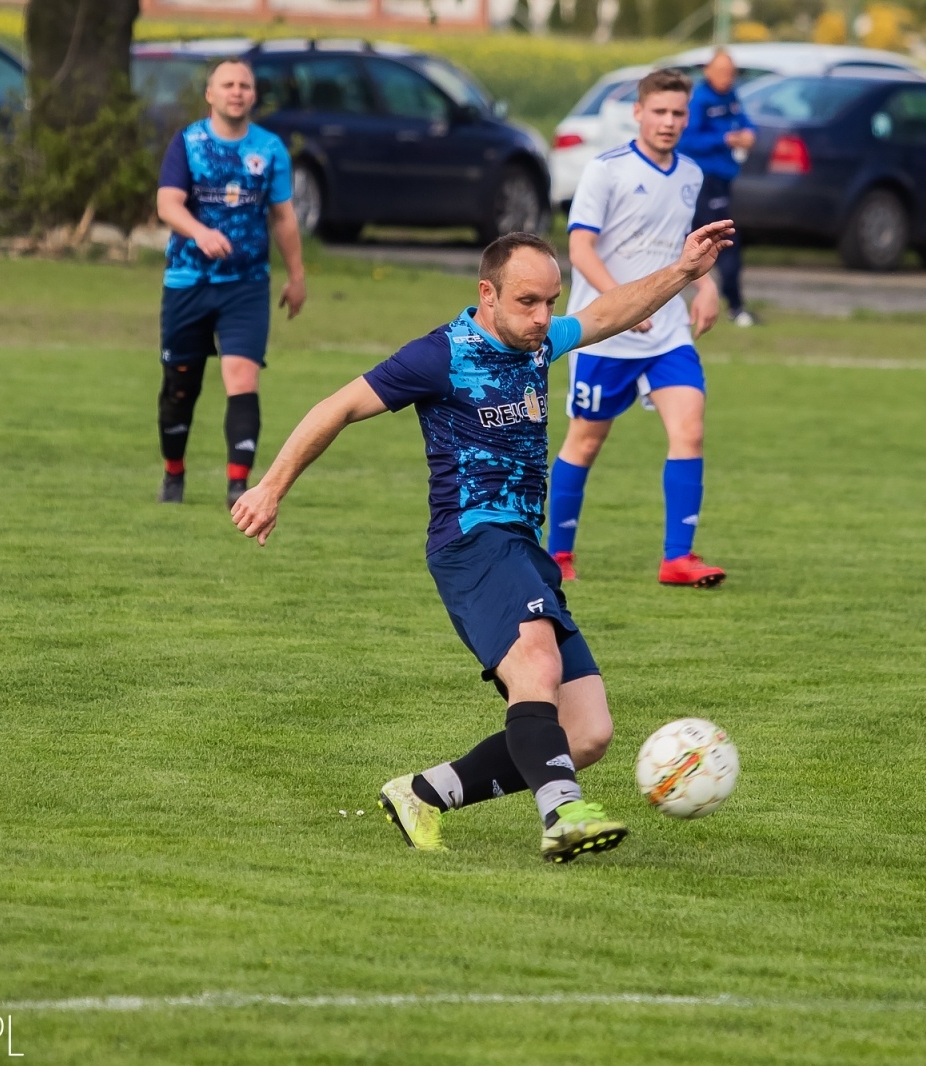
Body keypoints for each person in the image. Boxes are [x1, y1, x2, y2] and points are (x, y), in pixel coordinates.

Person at [229, 221, 735, 863]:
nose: (542, 317)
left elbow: (607, 312)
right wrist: (270, 488)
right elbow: (338, 406)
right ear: (487, 294)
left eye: (550, 301)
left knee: (585, 733)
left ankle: (421, 794)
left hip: (523, 547)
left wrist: (684, 272)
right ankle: (563, 815)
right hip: (471, 541)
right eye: (528, 301)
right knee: (537, 666)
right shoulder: (439, 355)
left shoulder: (537, 342)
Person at [547, 68, 728, 589]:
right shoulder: (606, 170)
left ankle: (678, 558)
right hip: (604, 332)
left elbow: (681, 246)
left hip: (667, 333)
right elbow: (580, 248)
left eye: (678, 113)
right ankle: (557, 555)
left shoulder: (690, 174)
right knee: (585, 442)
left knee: (690, 429)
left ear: (687, 118)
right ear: (638, 113)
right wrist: (621, 302)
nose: (669, 122)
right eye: (660, 112)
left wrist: (706, 287)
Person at [154, 58, 308, 510]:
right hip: (188, 281)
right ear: (210, 94)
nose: (236, 91)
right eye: (227, 84)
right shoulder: (188, 142)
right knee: (180, 385)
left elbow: (283, 217)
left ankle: (238, 487)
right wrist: (200, 233)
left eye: (244, 85)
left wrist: (297, 276)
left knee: (242, 376)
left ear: (253, 95)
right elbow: (167, 204)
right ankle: (174, 472)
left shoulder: (270, 149)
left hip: (247, 285)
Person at [677, 49, 756, 327]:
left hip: (723, 179)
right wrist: (725, 139)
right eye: (722, 72)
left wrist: (749, 134)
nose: (727, 78)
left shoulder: (731, 96)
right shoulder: (699, 100)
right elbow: (687, 141)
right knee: (723, 239)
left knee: (716, 240)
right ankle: (734, 305)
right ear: (708, 72)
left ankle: (728, 302)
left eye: (731, 73)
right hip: (703, 181)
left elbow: (745, 122)